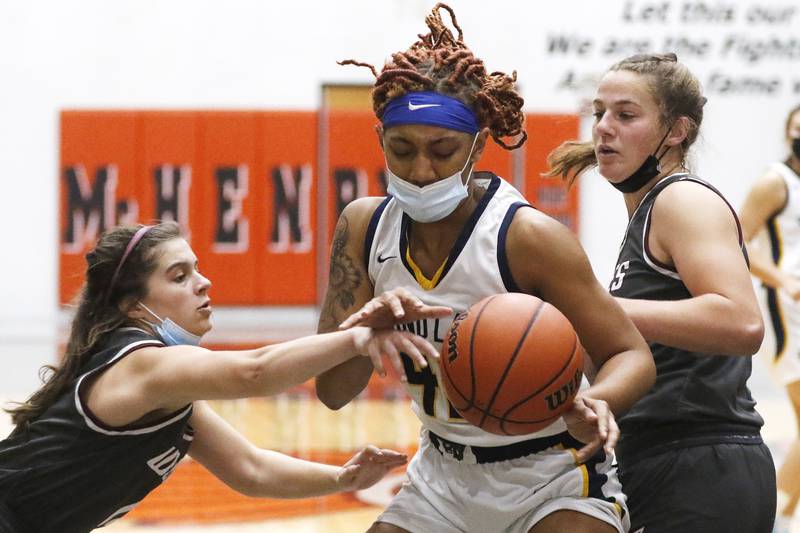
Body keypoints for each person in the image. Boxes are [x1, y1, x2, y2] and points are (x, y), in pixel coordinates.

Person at [315, 4, 656, 533]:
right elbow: (333, 392)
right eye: (401, 149)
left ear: (477, 145)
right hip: (440, 477)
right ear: (380, 138)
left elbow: (631, 355)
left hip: (553, 473)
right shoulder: (363, 227)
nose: (421, 170)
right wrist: (366, 331)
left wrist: (596, 400)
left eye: (441, 150)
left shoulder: (528, 239)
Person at [0, 221, 447, 533]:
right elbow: (254, 372)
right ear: (134, 307)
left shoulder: (169, 394)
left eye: (197, 268)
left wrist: (341, 480)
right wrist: (359, 337)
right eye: (180, 276)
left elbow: (250, 469)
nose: (204, 283)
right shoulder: (142, 366)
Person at [548, 52, 776, 533]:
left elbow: (742, 321)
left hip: (702, 461)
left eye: (625, 115)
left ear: (676, 131)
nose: (604, 128)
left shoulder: (682, 199)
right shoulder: (647, 214)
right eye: (599, 113)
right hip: (659, 457)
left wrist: (594, 306)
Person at [739, 104, 800, 533]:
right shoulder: (775, 182)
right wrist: (783, 280)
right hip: (790, 310)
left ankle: (781, 511)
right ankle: (772, 512)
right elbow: (738, 239)